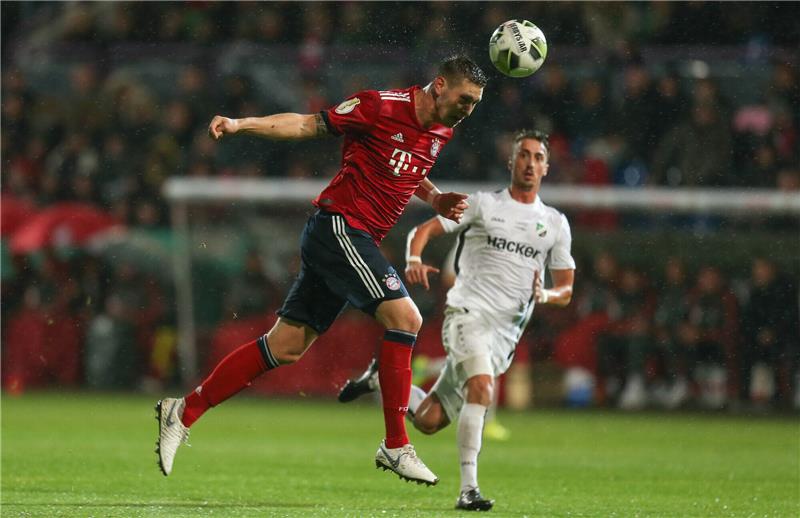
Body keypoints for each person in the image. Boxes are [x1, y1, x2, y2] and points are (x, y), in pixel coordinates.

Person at [155, 56, 488, 485]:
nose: (469, 109)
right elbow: (306, 124)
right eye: (465, 99)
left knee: (287, 346)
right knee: (406, 317)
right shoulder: (379, 106)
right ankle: (396, 444)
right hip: (339, 227)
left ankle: (184, 410)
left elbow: (408, 167)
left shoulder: (444, 128)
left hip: (349, 236)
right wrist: (241, 124)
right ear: (440, 85)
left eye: (476, 104)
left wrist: (436, 198)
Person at [338, 130, 576, 510]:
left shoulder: (555, 224)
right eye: (523, 155)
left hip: (503, 336)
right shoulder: (483, 205)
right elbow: (425, 229)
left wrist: (545, 294)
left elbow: (565, 290)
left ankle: (380, 378)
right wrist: (414, 259)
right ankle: (469, 490)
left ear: (547, 167)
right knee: (482, 389)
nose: (530, 163)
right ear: (510, 162)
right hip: (468, 315)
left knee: (430, 421)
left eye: (537, 157)